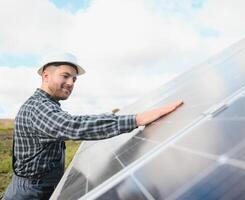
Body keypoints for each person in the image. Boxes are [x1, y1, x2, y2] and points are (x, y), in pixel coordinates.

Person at [2, 52, 183, 200]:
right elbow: (72, 126)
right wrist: (137, 119)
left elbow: (72, 121)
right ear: (46, 76)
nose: (71, 83)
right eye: (65, 76)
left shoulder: (46, 105)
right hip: (30, 192)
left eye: (74, 79)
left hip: (39, 185)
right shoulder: (38, 108)